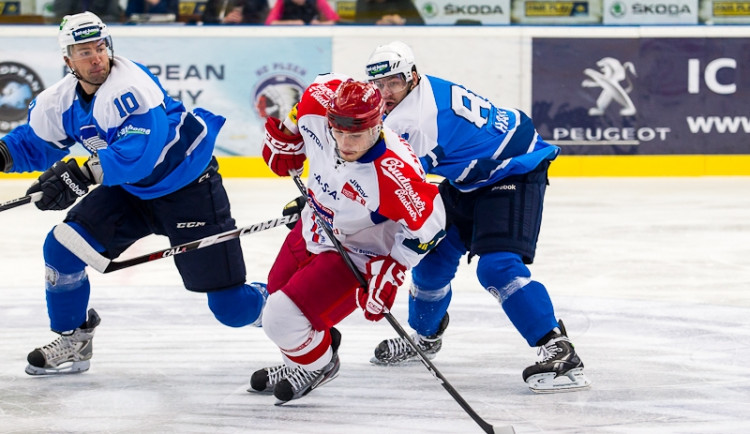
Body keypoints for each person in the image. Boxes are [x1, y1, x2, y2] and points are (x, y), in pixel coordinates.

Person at [0, 12, 268, 376]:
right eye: (83, 51)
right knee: (62, 248)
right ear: (68, 60)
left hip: (189, 188)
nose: (96, 57)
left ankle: (290, 311)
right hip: (130, 192)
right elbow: (34, 143)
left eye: (100, 47)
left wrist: (83, 172)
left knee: (232, 309)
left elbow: (139, 155)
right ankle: (74, 338)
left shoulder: (131, 86)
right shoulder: (60, 100)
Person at [363, 41, 591, 393]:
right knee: (431, 258)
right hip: (471, 176)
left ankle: (559, 349)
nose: (384, 93)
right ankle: (425, 339)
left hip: (513, 170)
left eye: (392, 83)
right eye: (377, 85)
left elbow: (396, 187)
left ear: (411, 77)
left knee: (497, 267)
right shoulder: (419, 94)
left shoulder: (418, 121)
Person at [247, 77, 446, 404]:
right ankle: (302, 359)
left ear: (377, 124)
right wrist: (284, 137)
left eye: (355, 135)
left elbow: (431, 224)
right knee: (277, 291)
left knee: (281, 318)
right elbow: (298, 115)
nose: (345, 143)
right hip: (313, 225)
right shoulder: (317, 102)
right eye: (338, 133)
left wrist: (394, 266)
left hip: (356, 250)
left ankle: (320, 366)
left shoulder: (393, 170)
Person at [264, 0, 338, 25]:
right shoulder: (282, 1)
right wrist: (291, 23)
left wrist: (321, 24)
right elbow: (269, 22)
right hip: (287, 39)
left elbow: (335, 20)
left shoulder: (318, 0)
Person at [355, 0, 423, 25]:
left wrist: (401, 20)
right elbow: (359, 23)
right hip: (371, 42)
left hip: (399, 42)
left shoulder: (402, 1)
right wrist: (379, 22)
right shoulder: (364, 1)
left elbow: (419, 22)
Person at [201, 0, 269, 24]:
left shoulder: (257, 1)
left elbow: (264, 19)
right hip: (216, 35)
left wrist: (243, 20)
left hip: (245, 36)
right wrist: (223, 20)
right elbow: (205, 17)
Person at [53, 0, 124, 22]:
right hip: (71, 30)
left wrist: (89, 21)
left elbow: (114, 17)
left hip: (99, 30)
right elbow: (61, 16)